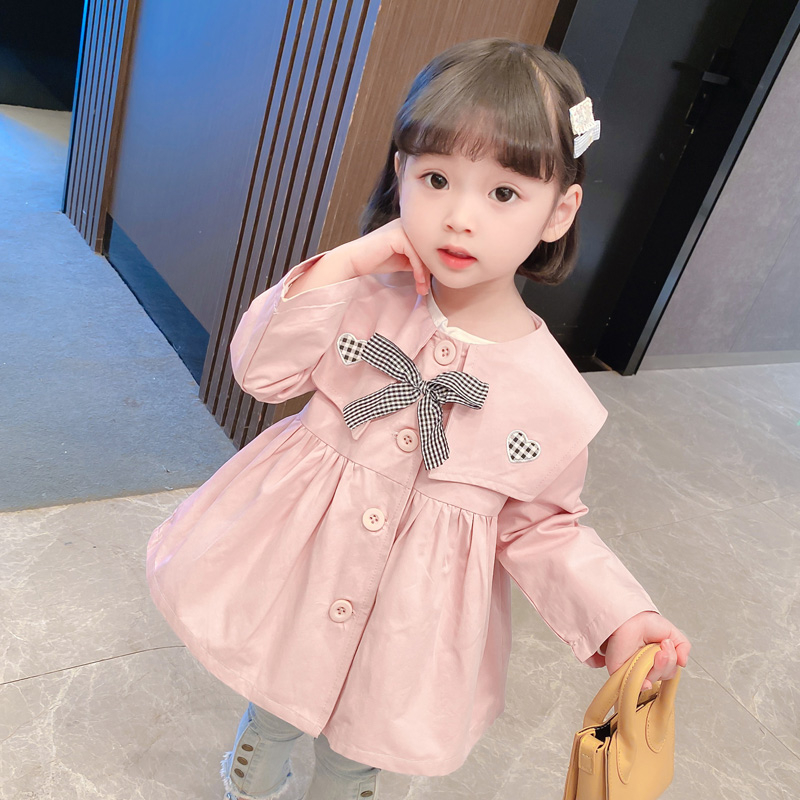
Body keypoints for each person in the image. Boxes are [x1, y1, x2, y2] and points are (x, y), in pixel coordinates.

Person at [146, 38, 691, 800]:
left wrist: (618, 616)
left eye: (503, 193)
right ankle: (257, 761)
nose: (460, 218)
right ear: (400, 173)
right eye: (436, 179)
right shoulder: (359, 298)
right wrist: (345, 264)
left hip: (412, 614)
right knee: (278, 681)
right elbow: (260, 370)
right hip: (302, 560)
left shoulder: (552, 398)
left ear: (559, 211)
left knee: (361, 738)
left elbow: (544, 528)